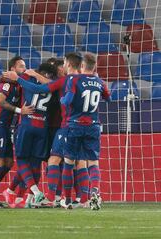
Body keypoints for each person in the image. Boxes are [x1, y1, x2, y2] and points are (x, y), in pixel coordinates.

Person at [4, 53, 83, 207]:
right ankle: (31, 197)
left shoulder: (54, 82)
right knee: (43, 162)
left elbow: (20, 84)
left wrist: (19, 76)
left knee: (28, 161)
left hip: (39, 126)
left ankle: (41, 194)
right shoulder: (62, 83)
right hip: (45, 127)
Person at [0, 56, 34, 208]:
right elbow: (0, 101)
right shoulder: (7, 83)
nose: (24, 69)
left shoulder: (18, 84)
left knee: (8, 162)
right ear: (12, 69)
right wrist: (19, 110)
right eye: (21, 66)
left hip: (3, 125)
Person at [61, 53, 111, 210]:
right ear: (94, 66)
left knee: (69, 162)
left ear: (82, 66)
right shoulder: (100, 82)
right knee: (93, 162)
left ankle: (67, 200)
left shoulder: (74, 79)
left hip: (75, 125)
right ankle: (95, 192)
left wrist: (61, 100)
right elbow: (109, 99)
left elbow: (67, 101)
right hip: (93, 126)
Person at [2, 64, 54, 208]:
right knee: (35, 164)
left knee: (22, 161)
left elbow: (4, 79)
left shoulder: (26, 77)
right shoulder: (52, 85)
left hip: (27, 126)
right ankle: (25, 199)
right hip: (42, 128)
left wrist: (19, 75)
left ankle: (35, 193)